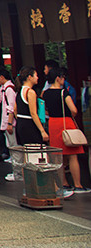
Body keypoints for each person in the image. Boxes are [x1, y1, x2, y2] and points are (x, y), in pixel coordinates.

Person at [43, 67, 87, 196]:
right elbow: (73, 110)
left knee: (59, 156)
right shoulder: (63, 93)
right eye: (63, 77)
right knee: (73, 155)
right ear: (58, 78)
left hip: (53, 123)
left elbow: (44, 109)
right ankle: (78, 185)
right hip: (65, 122)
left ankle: (64, 183)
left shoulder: (45, 93)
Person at [12, 67, 47, 146]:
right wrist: (42, 130)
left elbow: (15, 109)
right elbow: (33, 113)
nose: (37, 78)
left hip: (20, 123)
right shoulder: (30, 92)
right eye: (36, 75)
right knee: (35, 152)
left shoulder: (19, 91)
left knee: (26, 151)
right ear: (29, 77)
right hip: (29, 124)